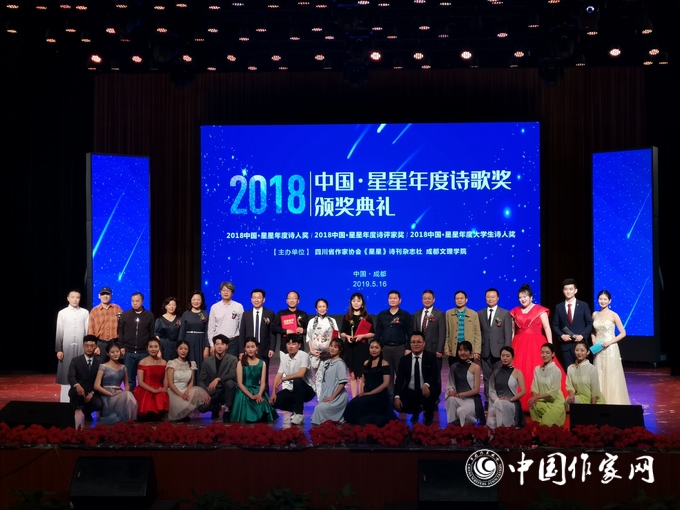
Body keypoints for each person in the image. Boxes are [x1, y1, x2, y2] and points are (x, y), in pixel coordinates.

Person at [510, 284, 565, 412]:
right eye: (520, 297)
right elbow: (513, 331)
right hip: (519, 344)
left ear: (531, 297)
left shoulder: (540, 310)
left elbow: (547, 328)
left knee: (538, 367)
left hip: (536, 343)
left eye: (525, 297)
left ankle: (541, 399)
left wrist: (550, 345)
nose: (522, 299)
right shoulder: (515, 311)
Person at [344, 339, 397, 426]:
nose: (373, 350)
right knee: (354, 405)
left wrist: (370, 393)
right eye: (371, 347)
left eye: (376, 347)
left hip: (379, 394)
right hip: (367, 392)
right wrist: (362, 392)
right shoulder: (366, 363)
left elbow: (386, 383)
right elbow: (363, 381)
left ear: (381, 349)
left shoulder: (384, 363)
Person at [393, 331, 441, 426]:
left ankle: (428, 415)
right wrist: (397, 397)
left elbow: (434, 375)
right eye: (413, 342)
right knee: (397, 405)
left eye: (419, 342)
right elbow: (399, 380)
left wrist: (426, 385)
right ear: (410, 343)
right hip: (410, 391)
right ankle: (416, 411)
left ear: (424, 343)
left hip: (426, 390)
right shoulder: (404, 360)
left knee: (432, 392)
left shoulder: (431, 357)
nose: (416, 344)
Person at [591, 290, 630, 404]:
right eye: (600, 299)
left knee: (611, 374)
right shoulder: (594, 314)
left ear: (609, 301)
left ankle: (612, 402)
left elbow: (623, 333)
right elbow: (593, 331)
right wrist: (593, 339)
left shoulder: (614, 315)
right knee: (598, 373)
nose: (602, 301)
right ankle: (599, 401)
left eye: (605, 299)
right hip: (598, 348)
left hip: (610, 348)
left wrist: (609, 342)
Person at [478, 288, 513, 409]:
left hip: (499, 352)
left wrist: (506, 352)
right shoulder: (480, 313)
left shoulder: (504, 313)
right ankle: (488, 403)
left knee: (499, 378)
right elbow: (479, 333)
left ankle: (499, 401)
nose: (490, 299)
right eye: (488, 297)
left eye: (493, 297)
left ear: (497, 298)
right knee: (487, 379)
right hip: (485, 351)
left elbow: (507, 334)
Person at [270, 335, 315, 426]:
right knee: (273, 402)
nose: (290, 346)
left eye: (294, 344)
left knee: (297, 381)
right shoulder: (285, 357)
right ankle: (296, 409)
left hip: (307, 390)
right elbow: (278, 375)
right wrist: (273, 393)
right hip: (292, 390)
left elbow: (301, 374)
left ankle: (299, 414)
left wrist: (283, 379)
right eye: (288, 343)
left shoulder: (304, 355)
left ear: (299, 345)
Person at [230, 338, 278, 423]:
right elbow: (240, 383)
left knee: (261, 405)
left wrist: (259, 394)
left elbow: (263, 382)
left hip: (257, 389)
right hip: (243, 390)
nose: (250, 349)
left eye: (252, 347)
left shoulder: (262, 363)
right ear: (245, 349)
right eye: (248, 347)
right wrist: (251, 396)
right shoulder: (240, 363)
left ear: (256, 348)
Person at [374, 290, 412, 397]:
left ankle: (401, 397)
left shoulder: (405, 315)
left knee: (401, 374)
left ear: (400, 300)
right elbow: (378, 332)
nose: (392, 300)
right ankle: (390, 397)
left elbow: (410, 332)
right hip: (385, 349)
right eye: (390, 298)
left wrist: (408, 348)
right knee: (387, 375)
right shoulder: (382, 315)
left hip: (400, 348)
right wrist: (377, 347)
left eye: (395, 298)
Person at [55, 289, 90, 402]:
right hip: (66, 348)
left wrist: (87, 348)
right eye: (73, 297)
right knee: (66, 373)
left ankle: (79, 402)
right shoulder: (62, 313)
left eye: (77, 297)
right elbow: (59, 332)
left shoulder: (85, 313)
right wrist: (59, 349)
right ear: (68, 298)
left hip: (81, 348)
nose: (75, 300)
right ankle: (65, 402)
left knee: (81, 373)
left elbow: (87, 332)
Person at [551, 278, 593, 368]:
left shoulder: (583, 305)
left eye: (571, 289)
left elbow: (590, 323)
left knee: (582, 370)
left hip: (581, 344)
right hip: (565, 346)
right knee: (569, 370)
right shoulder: (559, 307)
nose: (568, 291)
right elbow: (555, 325)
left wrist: (582, 335)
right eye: (566, 289)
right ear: (563, 291)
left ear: (575, 290)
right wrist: (562, 335)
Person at [118, 292, 155, 391]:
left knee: (144, 379)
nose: (135, 303)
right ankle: (131, 398)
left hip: (144, 352)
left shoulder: (149, 315)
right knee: (130, 379)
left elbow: (152, 333)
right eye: (133, 301)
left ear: (142, 301)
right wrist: (121, 346)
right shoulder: (125, 315)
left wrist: (151, 349)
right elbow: (121, 331)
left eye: (137, 301)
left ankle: (143, 399)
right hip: (129, 352)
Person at [239, 289, 276, 388]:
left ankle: (264, 396)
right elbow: (242, 333)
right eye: (254, 298)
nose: (256, 300)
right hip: (249, 349)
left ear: (263, 299)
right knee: (249, 375)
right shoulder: (246, 314)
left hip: (264, 348)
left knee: (264, 376)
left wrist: (272, 348)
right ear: (251, 299)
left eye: (259, 298)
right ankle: (249, 395)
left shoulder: (269, 313)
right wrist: (241, 350)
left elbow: (272, 333)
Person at [94, 342, 138, 424]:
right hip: (107, 395)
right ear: (107, 353)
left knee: (128, 394)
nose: (115, 354)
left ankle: (129, 420)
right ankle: (129, 419)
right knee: (127, 395)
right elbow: (96, 386)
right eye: (112, 352)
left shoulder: (123, 367)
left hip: (119, 393)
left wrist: (124, 394)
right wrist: (111, 394)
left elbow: (127, 385)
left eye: (117, 351)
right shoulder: (103, 366)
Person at [340, 292, 374, 398]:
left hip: (362, 348)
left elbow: (372, 333)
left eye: (358, 301)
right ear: (350, 303)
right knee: (352, 375)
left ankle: (362, 398)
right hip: (350, 348)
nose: (356, 303)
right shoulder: (347, 317)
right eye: (354, 301)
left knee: (362, 375)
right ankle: (354, 399)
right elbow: (342, 332)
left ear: (362, 303)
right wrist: (347, 336)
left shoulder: (366, 317)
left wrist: (362, 336)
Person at [165, 340, 210, 421]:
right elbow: (170, 383)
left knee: (200, 394)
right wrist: (181, 395)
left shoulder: (191, 364)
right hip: (174, 391)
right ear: (177, 349)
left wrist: (187, 391)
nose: (183, 351)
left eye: (186, 349)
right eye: (181, 348)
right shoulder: (172, 363)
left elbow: (191, 382)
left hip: (186, 390)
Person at [196, 334, 238, 421]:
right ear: (214, 346)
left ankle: (228, 409)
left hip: (226, 391)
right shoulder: (207, 361)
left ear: (226, 346)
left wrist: (218, 379)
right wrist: (204, 393)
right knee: (201, 408)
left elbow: (232, 374)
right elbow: (201, 380)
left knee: (230, 383)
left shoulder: (232, 359)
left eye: (222, 344)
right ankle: (216, 407)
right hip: (213, 392)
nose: (219, 346)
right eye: (217, 344)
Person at [445, 341, 486, 426]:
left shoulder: (475, 367)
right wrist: (452, 391)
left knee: (461, 411)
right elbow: (450, 383)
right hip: (459, 399)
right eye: (460, 350)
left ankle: (466, 428)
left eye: (466, 350)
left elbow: (476, 390)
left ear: (470, 352)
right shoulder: (454, 367)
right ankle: (452, 425)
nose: (463, 353)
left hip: (471, 400)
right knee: (450, 399)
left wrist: (459, 394)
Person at [486, 346, 526, 429]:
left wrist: (511, 399)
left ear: (512, 357)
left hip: (512, 403)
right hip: (497, 402)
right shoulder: (495, 372)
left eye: (507, 356)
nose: (505, 358)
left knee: (503, 404)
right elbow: (491, 390)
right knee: (500, 405)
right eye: (503, 355)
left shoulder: (518, 372)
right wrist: (497, 400)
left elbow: (523, 391)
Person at [311, 338, 349, 425]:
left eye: (335, 347)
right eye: (331, 346)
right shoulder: (328, 362)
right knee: (318, 408)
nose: (332, 348)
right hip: (327, 393)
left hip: (337, 396)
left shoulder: (340, 364)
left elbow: (342, 383)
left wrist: (332, 397)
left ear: (340, 350)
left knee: (320, 409)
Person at [306, 298, 339, 396]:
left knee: (330, 377)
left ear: (327, 308)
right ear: (316, 309)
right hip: (316, 354)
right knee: (319, 377)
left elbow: (336, 336)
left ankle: (329, 397)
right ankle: (320, 399)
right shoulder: (312, 321)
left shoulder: (332, 321)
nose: (322, 308)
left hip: (329, 354)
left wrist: (333, 351)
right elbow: (309, 337)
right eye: (319, 307)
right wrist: (312, 350)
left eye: (324, 306)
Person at [528, 343, 566, 427]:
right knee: (531, 404)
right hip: (543, 402)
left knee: (546, 425)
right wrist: (534, 399)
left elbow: (553, 392)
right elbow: (534, 387)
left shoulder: (556, 371)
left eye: (547, 353)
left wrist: (536, 397)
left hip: (555, 403)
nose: (544, 355)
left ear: (553, 354)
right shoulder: (537, 369)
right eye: (542, 352)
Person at [67, 335, 103, 421]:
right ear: (83, 346)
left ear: (96, 346)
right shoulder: (75, 360)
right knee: (73, 393)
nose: (89, 348)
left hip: (92, 391)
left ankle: (87, 411)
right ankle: (69, 416)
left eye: (92, 346)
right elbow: (71, 376)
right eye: (86, 346)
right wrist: (77, 385)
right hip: (78, 390)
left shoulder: (100, 363)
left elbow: (101, 381)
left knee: (99, 404)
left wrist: (92, 393)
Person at [133, 338, 169, 420]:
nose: (153, 349)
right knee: (148, 415)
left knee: (161, 399)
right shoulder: (142, 362)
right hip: (145, 388)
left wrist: (164, 388)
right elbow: (140, 382)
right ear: (147, 348)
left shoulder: (164, 362)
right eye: (151, 347)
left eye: (156, 347)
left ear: (159, 347)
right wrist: (153, 390)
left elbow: (166, 379)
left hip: (159, 387)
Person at [444, 290, 481, 366]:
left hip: (468, 347)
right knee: (454, 370)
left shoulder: (473, 314)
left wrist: (477, 351)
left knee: (468, 371)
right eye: (457, 298)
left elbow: (477, 334)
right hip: (454, 348)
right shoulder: (449, 313)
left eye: (461, 298)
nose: (459, 300)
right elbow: (446, 332)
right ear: (454, 300)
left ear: (466, 300)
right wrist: (446, 347)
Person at [413, 290, 446, 373]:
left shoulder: (439, 314)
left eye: (429, 298)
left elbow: (442, 333)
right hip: (419, 349)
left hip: (434, 350)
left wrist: (440, 350)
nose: (427, 300)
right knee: (420, 373)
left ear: (434, 299)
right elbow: (415, 332)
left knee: (435, 374)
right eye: (425, 298)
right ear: (422, 300)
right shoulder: (417, 314)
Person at [207, 282, 243, 357]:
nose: (226, 292)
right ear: (220, 292)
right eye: (223, 290)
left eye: (228, 290)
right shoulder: (214, 307)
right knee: (219, 364)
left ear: (232, 293)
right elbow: (211, 328)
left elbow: (241, 328)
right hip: (218, 343)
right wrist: (212, 345)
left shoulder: (238, 306)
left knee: (232, 363)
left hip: (233, 343)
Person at [178, 291, 210, 374]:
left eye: (198, 299)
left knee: (201, 364)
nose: (196, 302)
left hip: (201, 342)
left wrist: (207, 347)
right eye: (194, 299)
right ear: (190, 301)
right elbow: (182, 331)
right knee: (188, 363)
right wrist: (180, 346)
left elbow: (207, 332)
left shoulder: (205, 314)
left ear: (202, 301)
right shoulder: (185, 314)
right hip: (188, 341)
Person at [88, 286, 123, 364]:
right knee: (99, 367)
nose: (105, 296)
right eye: (103, 294)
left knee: (115, 366)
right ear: (99, 296)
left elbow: (122, 327)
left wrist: (121, 345)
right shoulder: (94, 311)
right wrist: (94, 346)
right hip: (100, 344)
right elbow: (91, 330)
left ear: (111, 296)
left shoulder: (117, 309)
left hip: (114, 343)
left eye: (107, 294)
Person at [566, 341, 605, 405]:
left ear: (588, 352)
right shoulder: (570, 368)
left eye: (582, 350)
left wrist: (592, 408)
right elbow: (569, 386)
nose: (579, 353)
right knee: (568, 400)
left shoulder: (592, 368)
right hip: (581, 398)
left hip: (594, 400)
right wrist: (571, 395)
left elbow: (595, 391)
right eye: (577, 350)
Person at [272, 290, 309, 355]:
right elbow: (273, 327)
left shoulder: (303, 314)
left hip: (299, 348)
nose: (292, 300)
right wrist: (285, 331)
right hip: (284, 348)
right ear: (286, 300)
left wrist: (303, 331)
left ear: (298, 301)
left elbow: (310, 330)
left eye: (294, 298)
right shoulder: (281, 313)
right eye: (289, 298)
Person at [155, 296, 181, 362]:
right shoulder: (159, 320)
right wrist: (158, 349)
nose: (171, 307)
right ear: (165, 306)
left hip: (176, 346)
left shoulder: (179, 320)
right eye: (169, 305)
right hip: (164, 346)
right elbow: (157, 335)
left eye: (173, 305)